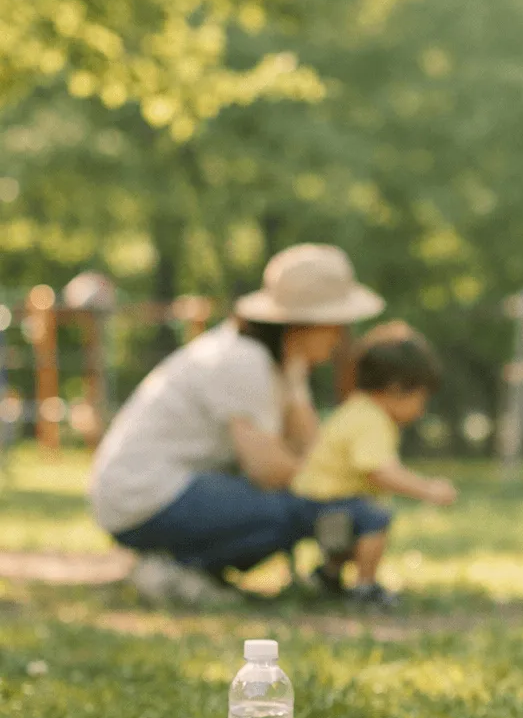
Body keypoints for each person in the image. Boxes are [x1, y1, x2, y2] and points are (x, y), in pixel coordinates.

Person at [89, 244, 383, 605]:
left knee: (311, 505)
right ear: (303, 324)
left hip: (167, 491)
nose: (342, 339)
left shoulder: (280, 364)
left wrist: (297, 391)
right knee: (299, 510)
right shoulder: (243, 361)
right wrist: (337, 489)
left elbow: (309, 450)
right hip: (145, 495)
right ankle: (176, 567)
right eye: (336, 326)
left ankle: (179, 566)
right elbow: (270, 470)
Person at [291, 321, 457, 607]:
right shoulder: (371, 421)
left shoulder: (357, 409)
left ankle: (329, 575)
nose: (421, 410)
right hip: (319, 505)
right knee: (373, 518)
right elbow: (380, 471)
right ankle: (365, 586)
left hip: (313, 500)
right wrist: (428, 489)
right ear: (395, 389)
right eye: (421, 398)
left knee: (358, 513)